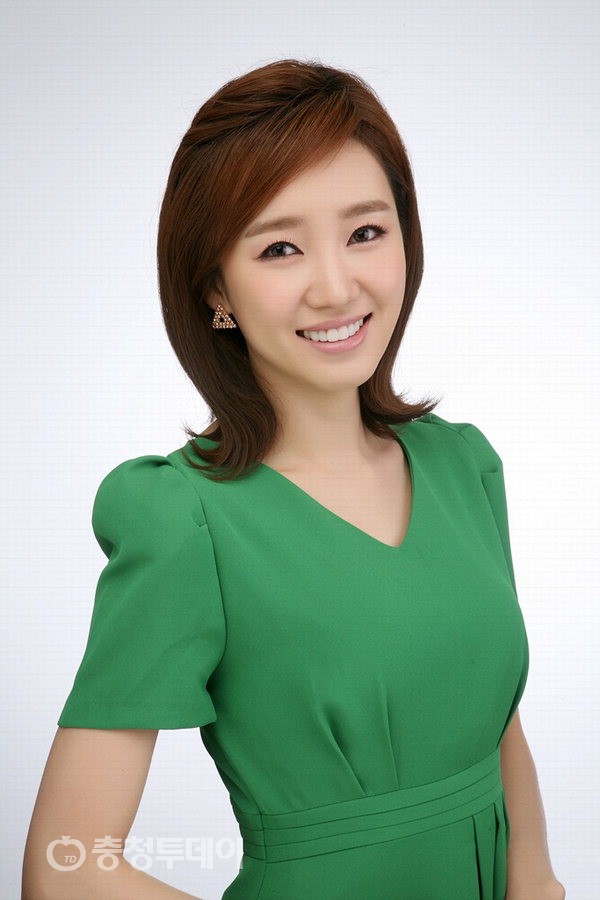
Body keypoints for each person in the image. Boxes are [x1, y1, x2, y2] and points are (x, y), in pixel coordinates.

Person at [22, 59, 565, 900]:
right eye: (280, 248)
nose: (337, 287)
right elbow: (65, 869)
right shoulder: (185, 519)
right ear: (216, 287)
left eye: (366, 232)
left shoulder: (465, 466)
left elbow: (489, 718)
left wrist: (537, 880)